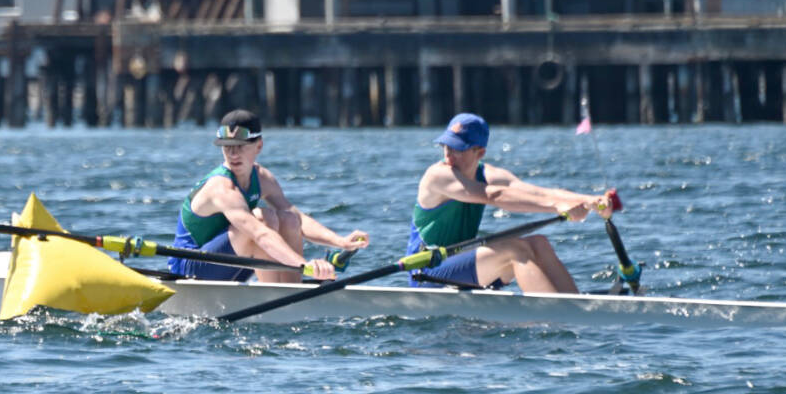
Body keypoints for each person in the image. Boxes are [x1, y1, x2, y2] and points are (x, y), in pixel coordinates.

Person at [407, 112, 613, 294]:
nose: (449, 155)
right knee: (515, 250)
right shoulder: (438, 175)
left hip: (461, 266)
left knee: (539, 243)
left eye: (458, 149)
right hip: (427, 271)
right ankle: (552, 317)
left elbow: (538, 192)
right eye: (447, 146)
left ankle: (576, 308)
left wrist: (589, 201)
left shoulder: (488, 174)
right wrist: (557, 207)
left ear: (480, 153)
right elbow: (494, 196)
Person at [167, 109, 369, 283]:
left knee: (289, 220)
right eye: (227, 146)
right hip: (190, 269)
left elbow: (298, 220)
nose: (233, 154)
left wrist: (340, 242)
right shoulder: (222, 188)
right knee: (263, 219)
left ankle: (291, 293)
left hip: (230, 261)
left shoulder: (262, 177)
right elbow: (259, 234)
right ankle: (273, 293)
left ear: (259, 146)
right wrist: (305, 264)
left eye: (240, 146)